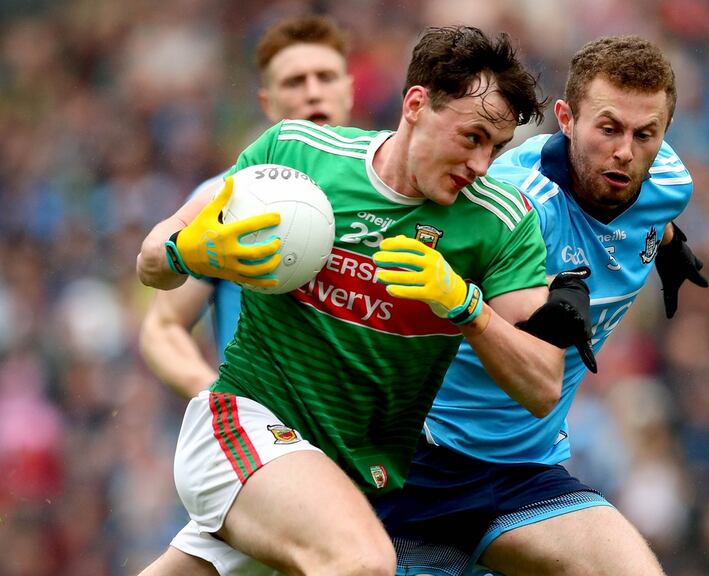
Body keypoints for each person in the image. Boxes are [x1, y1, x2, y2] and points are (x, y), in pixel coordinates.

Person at [136, 25, 565, 576]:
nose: (482, 164)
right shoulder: (295, 156)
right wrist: (183, 251)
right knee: (361, 561)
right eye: (472, 137)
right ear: (416, 105)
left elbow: (541, 386)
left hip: (347, 473)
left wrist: (467, 308)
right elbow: (152, 264)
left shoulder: (501, 223)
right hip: (242, 422)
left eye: (496, 148)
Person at [372, 35, 708, 576]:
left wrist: (668, 243)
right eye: (608, 128)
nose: (626, 150)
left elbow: (647, 205)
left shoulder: (667, 181)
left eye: (646, 134)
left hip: (525, 469)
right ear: (566, 119)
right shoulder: (511, 199)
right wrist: (547, 284)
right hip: (424, 461)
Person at [139, 14, 354, 399]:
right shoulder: (227, 197)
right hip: (264, 434)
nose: (313, 92)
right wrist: (214, 397)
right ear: (267, 103)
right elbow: (163, 326)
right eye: (294, 81)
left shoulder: (393, 197)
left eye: (326, 77)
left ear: (349, 91)